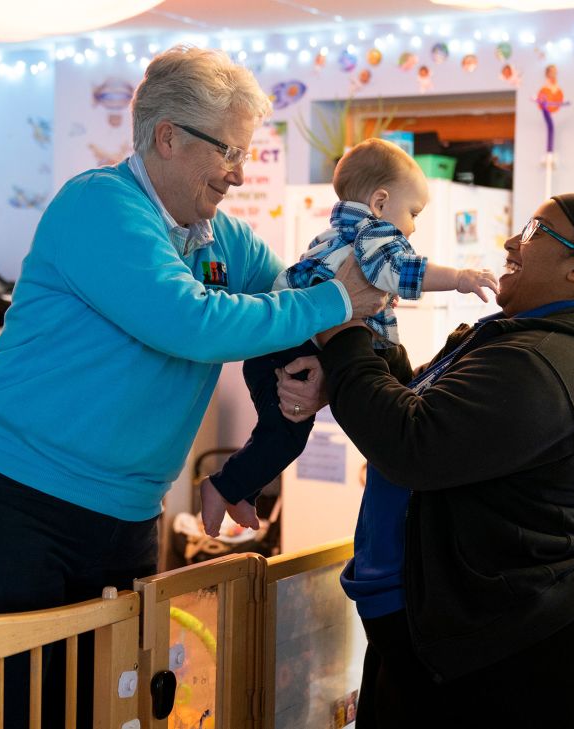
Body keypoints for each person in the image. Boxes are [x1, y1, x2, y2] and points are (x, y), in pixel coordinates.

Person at [0, 45, 386, 729]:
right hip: (11, 502)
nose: (236, 174)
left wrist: (315, 362)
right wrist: (333, 307)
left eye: (245, 155)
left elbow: (287, 297)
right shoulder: (101, 204)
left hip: (125, 515)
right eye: (229, 152)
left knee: (105, 710)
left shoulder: (220, 238)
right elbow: (188, 322)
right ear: (167, 137)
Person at [277, 189, 574, 728]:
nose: (513, 241)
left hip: (546, 632)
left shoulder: (544, 362)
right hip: (493, 611)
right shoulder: (522, 340)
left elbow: (412, 445)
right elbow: (425, 408)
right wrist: (350, 371)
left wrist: (347, 330)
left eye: (536, 232)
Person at [199, 139, 497, 533]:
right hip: (291, 350)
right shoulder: (374, 234)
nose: (413, 226)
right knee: (315, 423)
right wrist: (459, 278)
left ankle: (241, 490)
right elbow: (404, 270)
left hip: (292, 345)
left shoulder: (335, 233)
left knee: (286, 433)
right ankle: (223, 487)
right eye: (412, 213)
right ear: (380, 202)